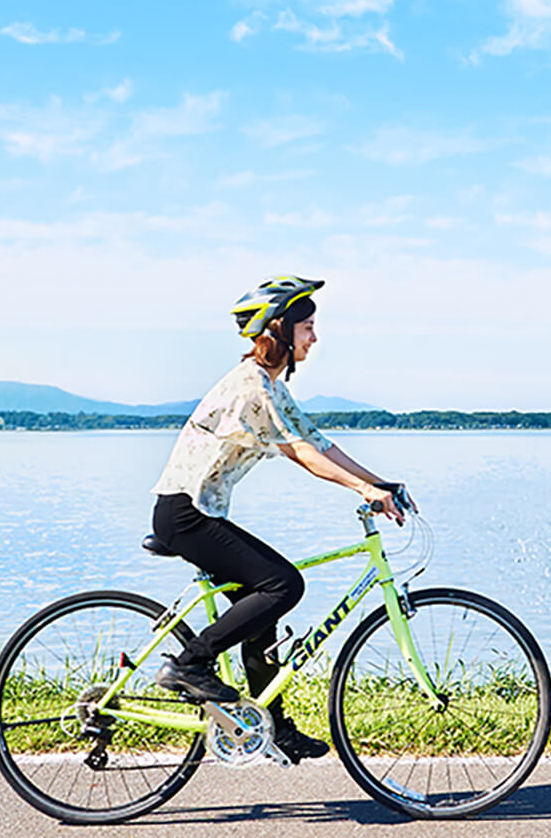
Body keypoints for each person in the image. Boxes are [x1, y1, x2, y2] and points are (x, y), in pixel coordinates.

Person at [150, 275, 406, 762]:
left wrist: (381, 483)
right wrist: (364, 491)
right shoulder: (252, 388)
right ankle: (191, 663)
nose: (315, 337)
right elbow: (304, 454)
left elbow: (320, 441)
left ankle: (273, 725)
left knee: (262, 606)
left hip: (196, 512)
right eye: (307, 326)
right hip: (185, 515)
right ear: (280, 329)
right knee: (284, 585)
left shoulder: (268, 383)